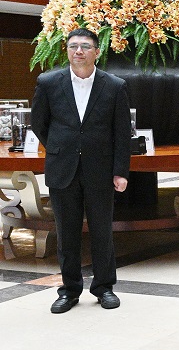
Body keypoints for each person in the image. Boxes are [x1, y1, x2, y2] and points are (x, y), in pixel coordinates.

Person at [31, 28, 131, 313]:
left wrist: (120, 171)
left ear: (97, 52)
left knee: (102, 232)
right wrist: (60, 147)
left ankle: (104, 287)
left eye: (85, 46)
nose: (78, 51)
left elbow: (122, 133)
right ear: (67, 50)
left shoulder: (114, 86)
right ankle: (69, 290)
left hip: (100, 169)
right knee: (66, 234)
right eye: (73, 46)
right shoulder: (49, 82)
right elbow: (39, 123)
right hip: (63, 169)